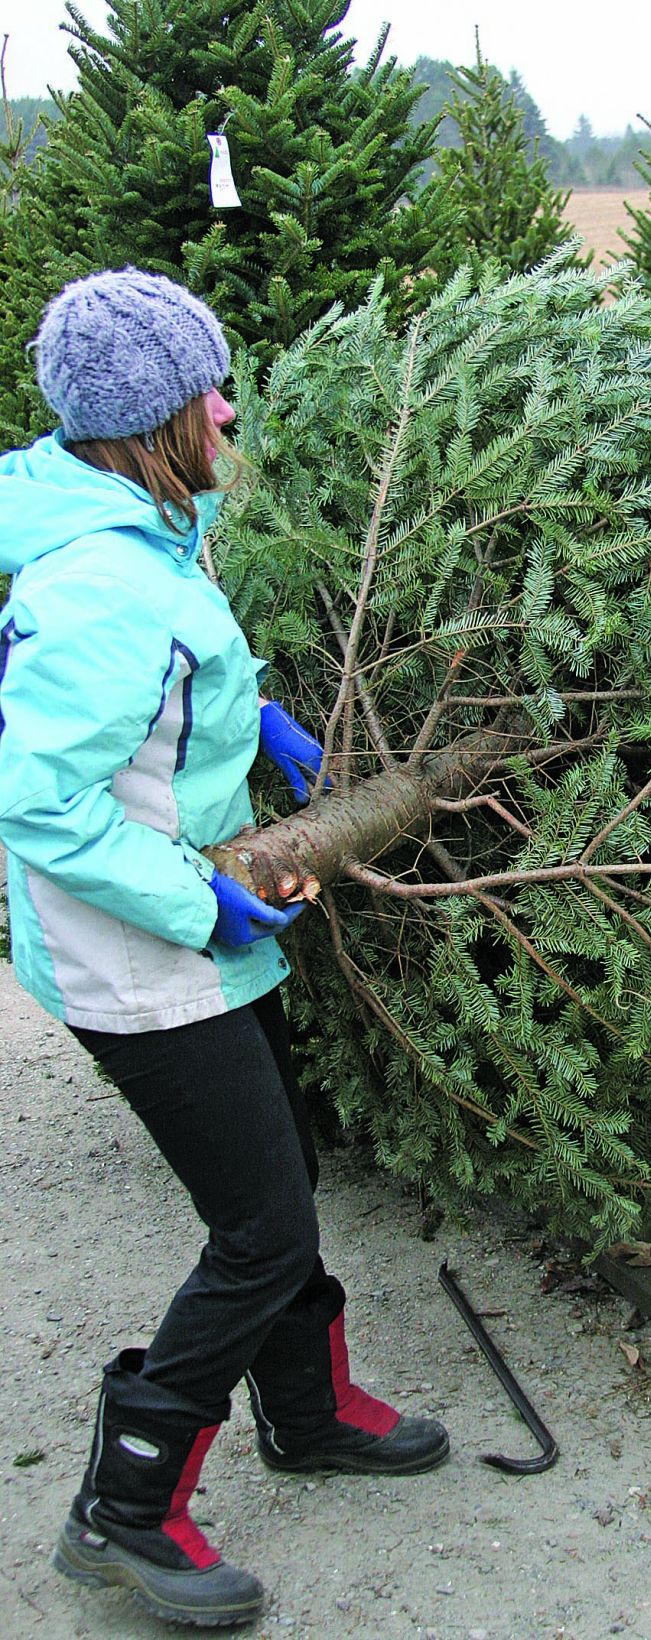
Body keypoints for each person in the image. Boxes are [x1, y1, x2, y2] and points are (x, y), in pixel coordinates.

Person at [0, 269, 448, 1630]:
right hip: (140, 957)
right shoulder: (100, 583)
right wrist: (200, 902)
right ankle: (123, 1509)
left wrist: (245, 721)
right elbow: (37, 798)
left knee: (284, 1179)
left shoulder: (145, 521)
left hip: (188, 929)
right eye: (211, 389)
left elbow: (163, 675)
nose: (229, 406)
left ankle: (306, 1418)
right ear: (153, 424)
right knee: (257, 1231)